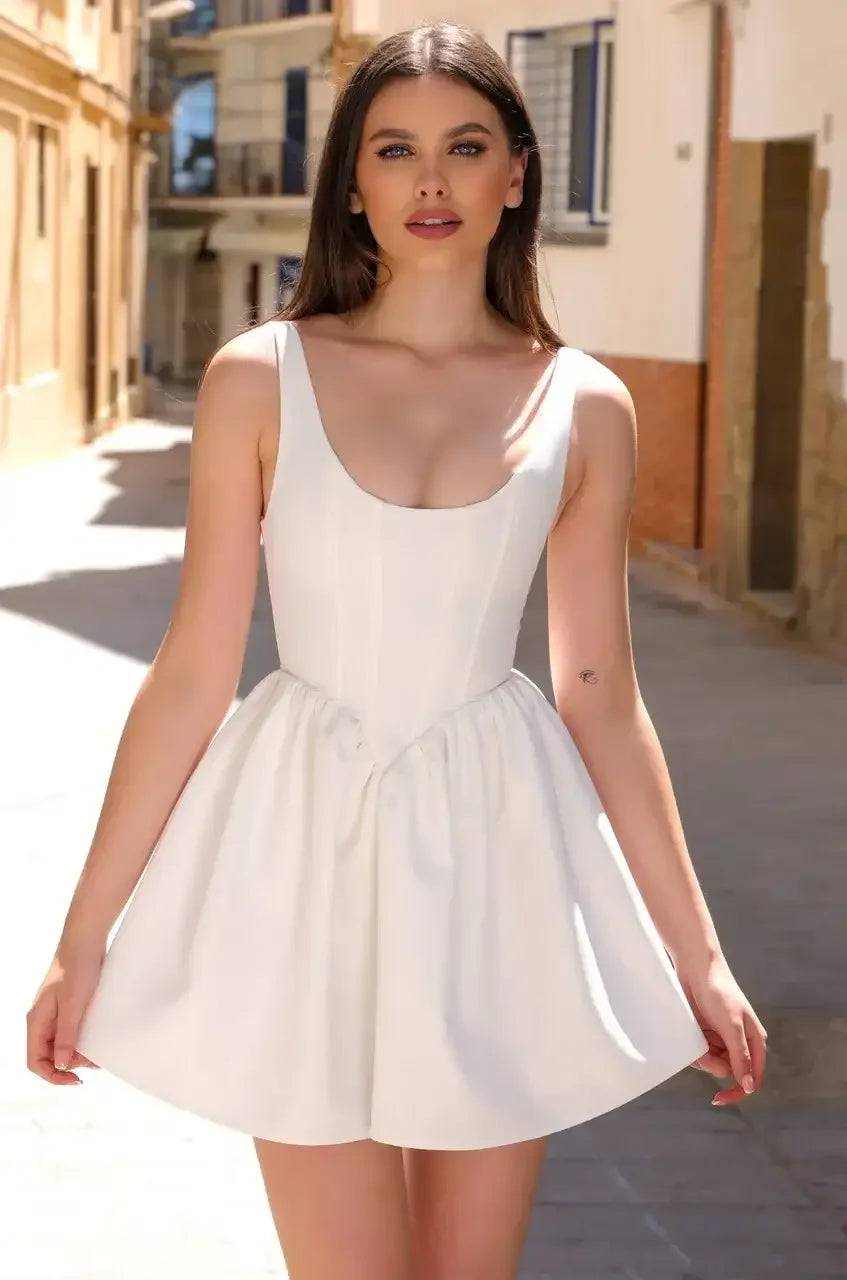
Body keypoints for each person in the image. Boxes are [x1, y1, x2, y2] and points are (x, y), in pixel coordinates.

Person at [26, 23, 767, 1280]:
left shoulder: (585, 402)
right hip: (298, 846)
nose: (431, 180)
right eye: (394, 150)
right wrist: (81, 934)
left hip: (500, 850)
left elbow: (599, 693)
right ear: (353, 182)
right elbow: (194, 671)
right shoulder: (258, 377)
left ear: (517, 173)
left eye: (465, 148)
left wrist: (696, 953)